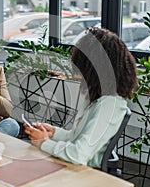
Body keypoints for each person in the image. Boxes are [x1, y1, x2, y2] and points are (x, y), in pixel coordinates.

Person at [24, 27, 137, 168]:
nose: (79, 74)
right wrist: (53, 133)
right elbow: (76, 137)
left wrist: (44, 142)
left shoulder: (109, 105)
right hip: (74, 167)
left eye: (82, 69)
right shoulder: (96, 98)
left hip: (85, 172)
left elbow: (78, 155)